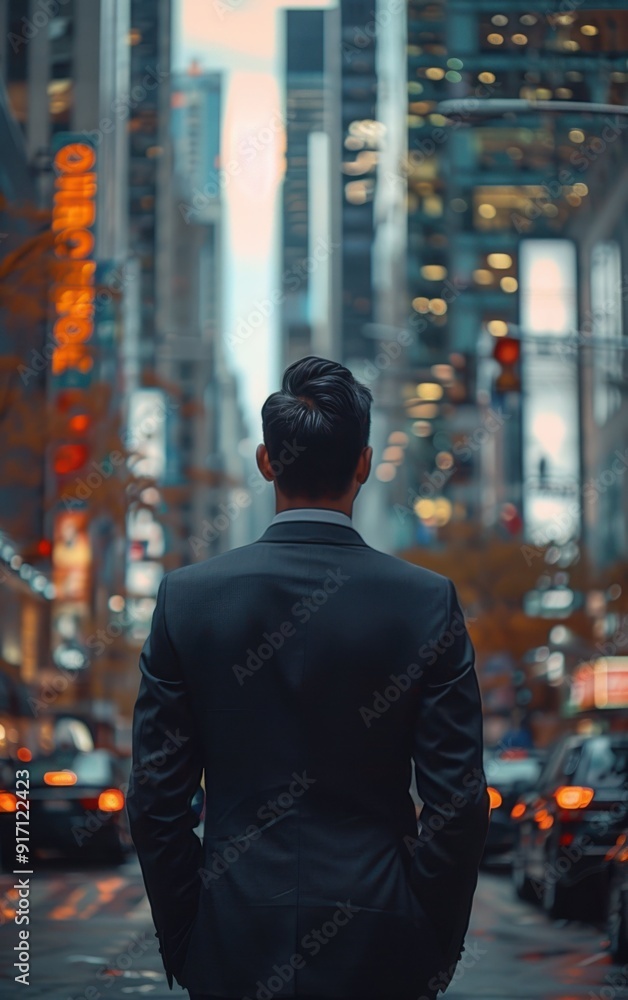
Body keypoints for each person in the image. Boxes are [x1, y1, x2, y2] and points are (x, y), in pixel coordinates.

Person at [127, 356, 489, 1000]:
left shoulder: (187, 600)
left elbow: (157, 802)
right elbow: (457, 804)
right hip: (382, 941)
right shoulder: (425, 602)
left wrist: (188, 935)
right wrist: (429, 938)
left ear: (267, 462)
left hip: (230, 936)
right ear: (365, 464)